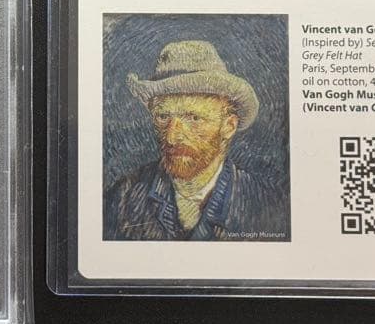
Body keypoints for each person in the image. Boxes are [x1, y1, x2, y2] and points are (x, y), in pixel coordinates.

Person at [104, 40, 287, 241]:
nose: (171, 137)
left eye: (193, 118)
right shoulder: (120, 200)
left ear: (229, 126)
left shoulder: (269, 205)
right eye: (163, 117)